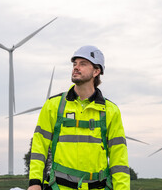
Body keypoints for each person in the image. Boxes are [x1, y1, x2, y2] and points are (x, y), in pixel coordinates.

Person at [28, 45, 130, 190]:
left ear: (96, 71)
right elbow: (39, 147)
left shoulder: (111, 111)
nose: (76, 67)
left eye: (83, 64)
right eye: (74, 64)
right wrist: (34, 182)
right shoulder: (53, 106)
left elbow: (119, 158)